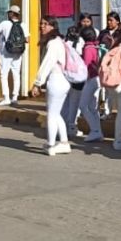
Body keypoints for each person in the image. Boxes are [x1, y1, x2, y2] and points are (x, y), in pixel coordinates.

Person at [30, 17, 71, 156]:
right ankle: (64, 143)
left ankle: (51, 145)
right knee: (56, 113)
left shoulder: (53, 43)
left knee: (52, 115)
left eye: (45, 24)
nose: (41, 26)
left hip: (56, 80)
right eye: (41, 24)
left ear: (53, 26)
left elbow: (47, 64)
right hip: (62, 81)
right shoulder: (59, 41)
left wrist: (37, 83)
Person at [0, 5, 29, 106]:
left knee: (4, 75)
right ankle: (14, 98)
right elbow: (27, 40)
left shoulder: (5, 23)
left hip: (6, 52)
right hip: (18, 52)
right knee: (16, 74)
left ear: (12, 14)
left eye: (9, 12)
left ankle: (6, 98)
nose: (8, 14)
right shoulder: (23, 24)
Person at [78, 27, 104, 142]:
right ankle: (98, 131)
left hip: (90, 79)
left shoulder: (88, 48)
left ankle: (95, 130)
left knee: (83, 106)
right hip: (96, 78)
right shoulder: (95, 46)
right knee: (93, 108)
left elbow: (86, 65)